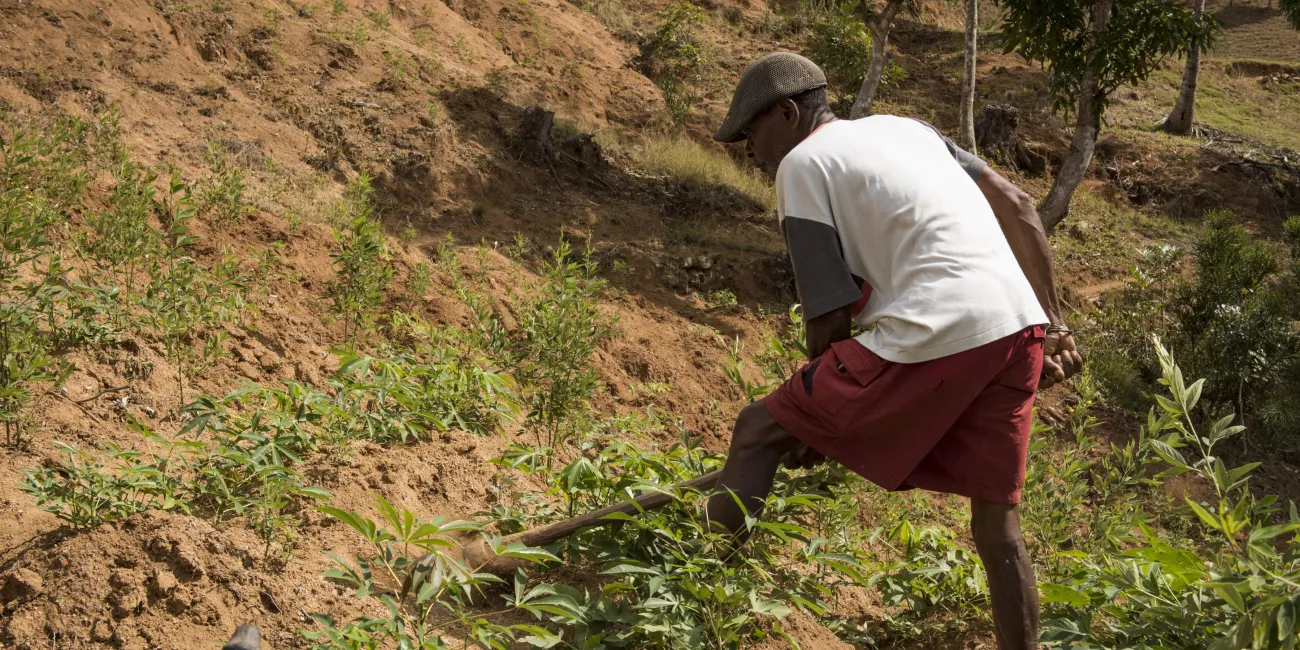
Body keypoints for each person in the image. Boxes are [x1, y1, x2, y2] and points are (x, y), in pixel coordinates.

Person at [704, 52, 1083, 650]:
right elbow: (1020, 206)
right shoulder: (910, 130)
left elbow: (827, 316)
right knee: (996, 521)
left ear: (787, 112)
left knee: (755, 432)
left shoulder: (801, 165)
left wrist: (812, 423)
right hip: (1018, 327)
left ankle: (694, 603)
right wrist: (1055, 327)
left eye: (752, 133)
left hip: (936, 328)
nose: (750, 151)